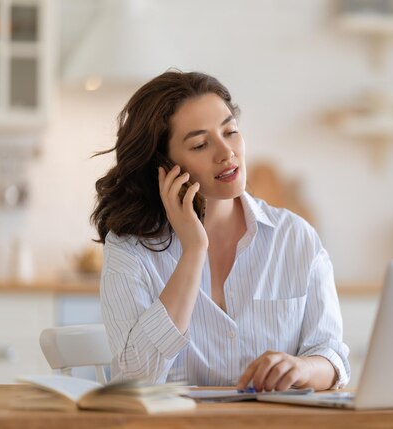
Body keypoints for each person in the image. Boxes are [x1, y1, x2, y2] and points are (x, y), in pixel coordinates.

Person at [91, 70, 350, 391]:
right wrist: (193, 251)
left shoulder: (294, 237)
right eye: (200, 144)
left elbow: (331, 356)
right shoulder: (129, 248)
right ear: (164, 166)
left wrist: (301, 368)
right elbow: (134, 379)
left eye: (230, 131)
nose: (226, 152)